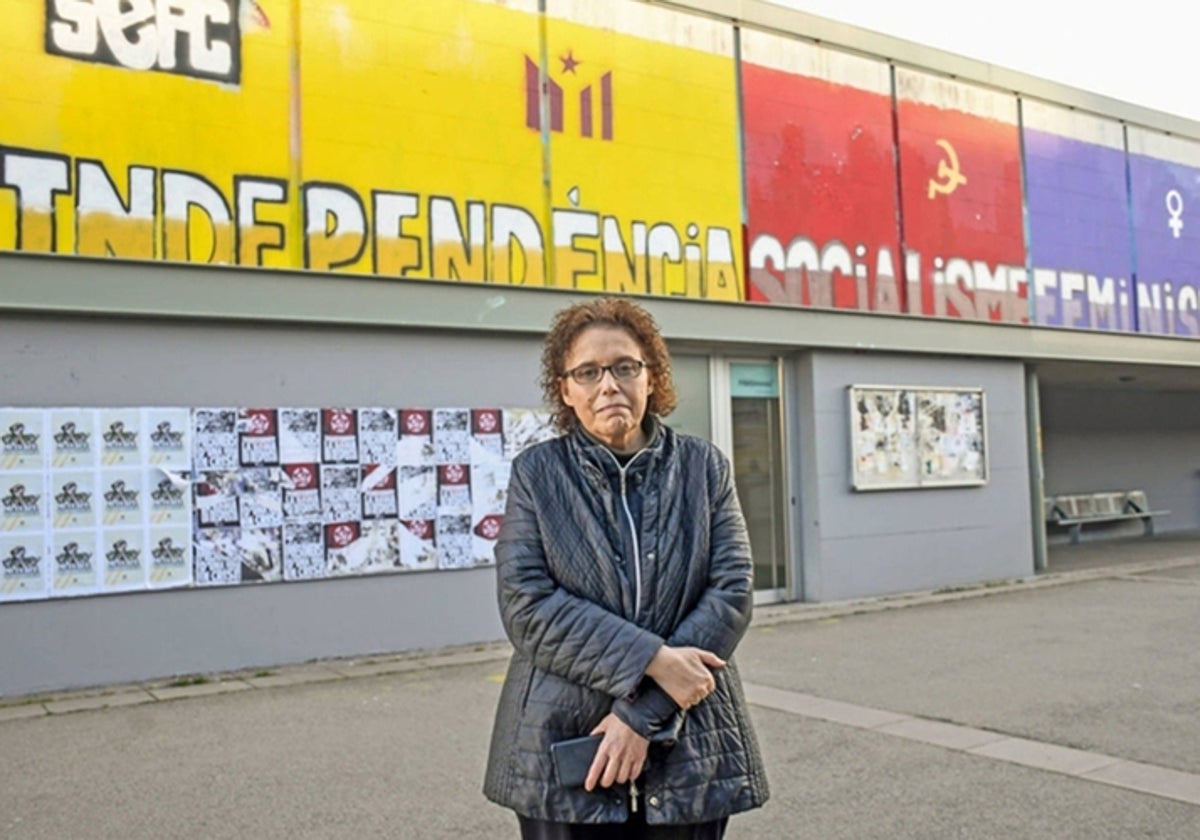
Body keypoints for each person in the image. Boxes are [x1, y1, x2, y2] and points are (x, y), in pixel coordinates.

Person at [484, 297, 768, 839]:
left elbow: (731, 591)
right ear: (566, 390)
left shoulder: (703, 467)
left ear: (651, 377)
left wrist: (642, 715)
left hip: (691, 746)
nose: (608, 385)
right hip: (561, 740)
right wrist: (655, 659)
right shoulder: (538, 474)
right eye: (587, 372)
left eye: (624, 367)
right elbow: (527, 604)